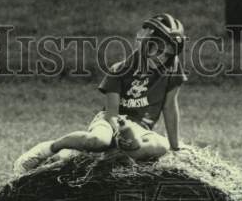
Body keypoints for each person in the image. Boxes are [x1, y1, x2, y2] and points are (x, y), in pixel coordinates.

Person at [13, 13, 187, 174]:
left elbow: (170, 107)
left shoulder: (172, 69)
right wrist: (121, 129)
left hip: (140, 130)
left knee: (160, 147)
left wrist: (175, 147)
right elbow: (112, 114)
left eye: (168, 55)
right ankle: (52, 147)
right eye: (157, 50)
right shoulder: (119, 70)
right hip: (110, 120)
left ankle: (123, 147)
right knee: (97, 141)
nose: (161, 58)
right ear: (146, 43)